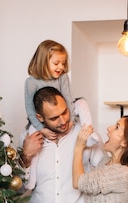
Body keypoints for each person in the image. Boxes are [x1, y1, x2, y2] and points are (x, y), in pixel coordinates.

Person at [24, 39, 101, 190]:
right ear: (43, 61)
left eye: (63, 63)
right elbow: (30, 109)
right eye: (56, 63)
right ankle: (31, 178)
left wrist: (71, 119)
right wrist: (41, 128)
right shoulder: (31, 82)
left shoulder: (62, 78)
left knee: (82, 103)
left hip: (70, 114)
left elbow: (68, 98)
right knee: (33, 135)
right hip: (37, 123)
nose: (61, 67)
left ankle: (89, 134)